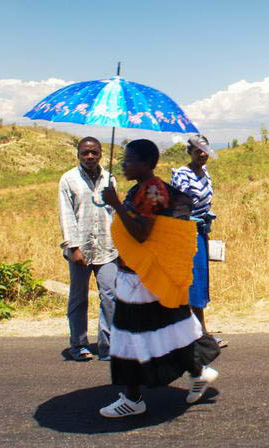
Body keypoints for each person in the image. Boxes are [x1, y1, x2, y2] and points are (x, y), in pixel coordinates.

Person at [99, 139, 220, 418]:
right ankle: (198, 371)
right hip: (141, 274)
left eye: (128, 160)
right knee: (168, 328)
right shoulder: (142, 189)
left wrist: (116, 204)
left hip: (143, 277)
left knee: (129, 335)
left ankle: (133, 398)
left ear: (145, 163)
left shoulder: (152, 190)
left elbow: (142, 233)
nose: (123, 164)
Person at [57, 136, 118, 361]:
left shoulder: (109, 178)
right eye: (85, 153)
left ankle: (108, 346)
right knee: (79, 297)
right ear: (78, 154)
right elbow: (66, 215)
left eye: (94, 152)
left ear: (101, 153)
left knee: (111, 296)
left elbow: (113, 213)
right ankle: (79, 345)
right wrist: (73, 247)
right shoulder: (68, 179)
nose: (90, 157)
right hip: (80, 249)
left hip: (107, 248)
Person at [170, 134, 227, 348]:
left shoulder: (205, 173)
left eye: (205, 150)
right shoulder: (182, 174)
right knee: (191, 283)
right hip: (185, 233)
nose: (202, 154)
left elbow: (204, 202)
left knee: (200, 282)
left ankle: (198, 333)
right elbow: (177, 206)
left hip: (200, 231)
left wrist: (206, 218)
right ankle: (198, 335)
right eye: (197, 151)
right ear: (189, 152)